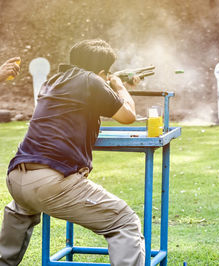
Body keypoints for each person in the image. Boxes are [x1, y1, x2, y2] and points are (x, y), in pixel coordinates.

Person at [0, 39, 145, 265]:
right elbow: (128, 116)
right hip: (50, 182)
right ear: (100, 72)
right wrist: (118, 85)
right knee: (125, 221)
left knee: (21, 210)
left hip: (17, 177)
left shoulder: (53, 81)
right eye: (105, 74)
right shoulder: (91, 81)